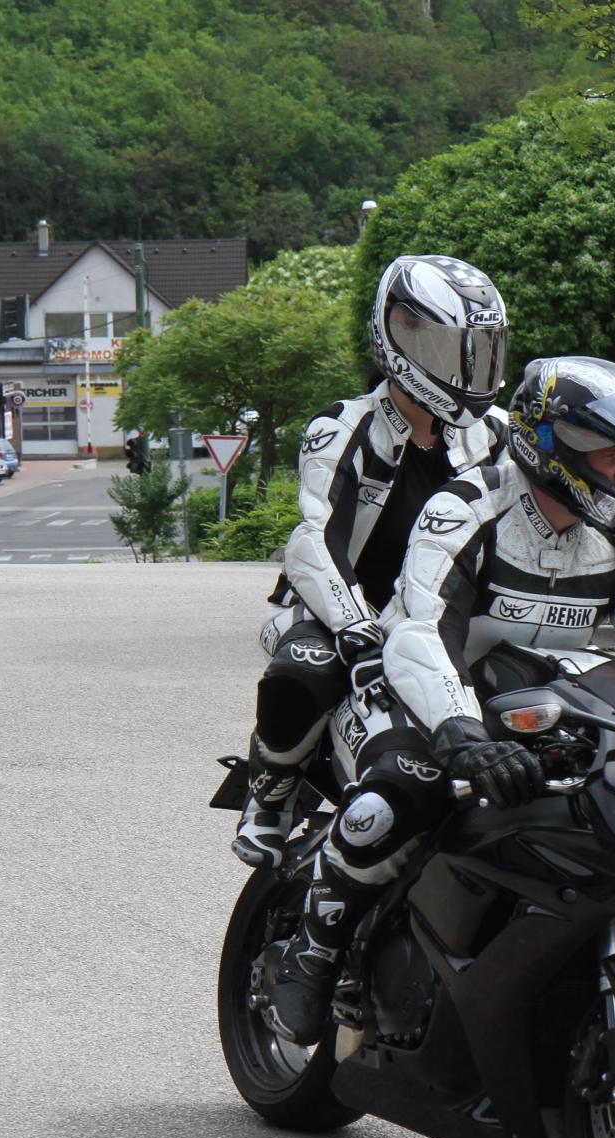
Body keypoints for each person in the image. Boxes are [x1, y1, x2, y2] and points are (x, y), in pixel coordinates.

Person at [262, 356, 615, 1047]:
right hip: (418, 694)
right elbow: (421, 633)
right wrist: (461, 735)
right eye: (609, 453)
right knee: (404, 790)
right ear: (553, 448)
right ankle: (312, 950)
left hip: (534, 705)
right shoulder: (465, 509)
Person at [232, 255, 512, 867]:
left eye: (480, 352)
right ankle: (271, 787)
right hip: (332, 611)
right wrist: (356, 628)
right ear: (397, 337)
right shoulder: (342, 427)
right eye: (449, 350)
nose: (468, 370)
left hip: (434, 613)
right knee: (308, 668)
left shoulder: (497, 433)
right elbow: (314, 541)